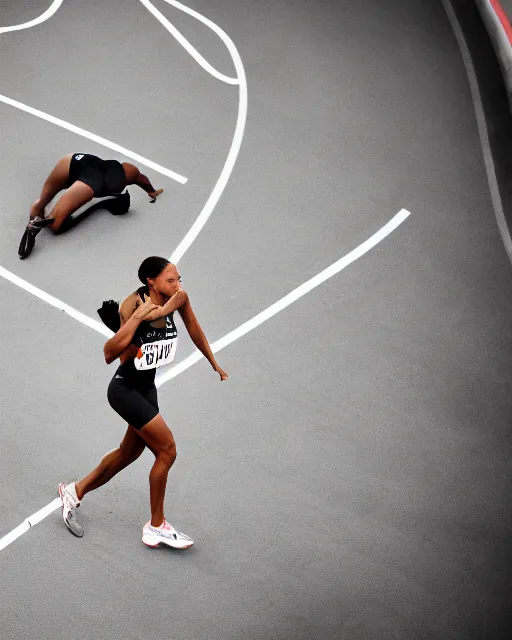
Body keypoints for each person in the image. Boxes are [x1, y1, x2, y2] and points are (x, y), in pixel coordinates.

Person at [58, 256, 228, 549]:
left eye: (179, 279)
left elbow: (194, 327)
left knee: (128, 453)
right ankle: (156, 526)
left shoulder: (178, 299)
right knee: (167, 450)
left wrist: (213, 362)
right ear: (152, 282)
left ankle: (74, 491)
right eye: (171, 280)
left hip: (147, 387)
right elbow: (113, 356)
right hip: (125, 389)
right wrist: (131, 326)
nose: (178, 285)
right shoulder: (132, 305)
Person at [18, 153, 164, 258]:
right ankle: (35, 226)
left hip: (74, 160)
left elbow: (143, 180)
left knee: (40, 203)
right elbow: (143, 180)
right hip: (89, 181)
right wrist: (152, 192)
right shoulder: (98, 185)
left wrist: (152, 191)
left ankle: (37, 213)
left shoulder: (127, 169)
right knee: (55, 225)